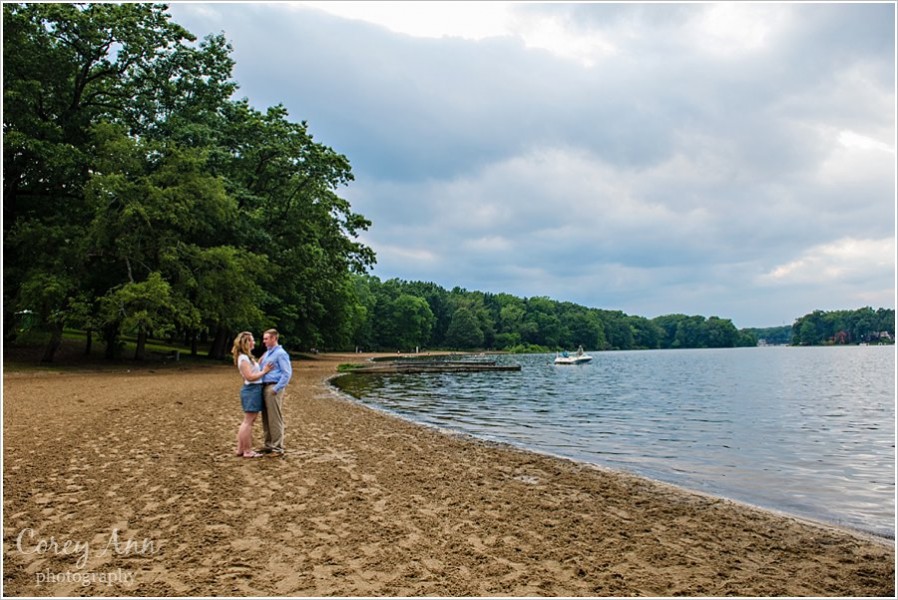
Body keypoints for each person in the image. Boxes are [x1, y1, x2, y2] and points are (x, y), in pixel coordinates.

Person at [231, 332, 273, 458]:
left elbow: (253, 369)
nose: (254, 342)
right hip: (252, 390)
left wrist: (263, 358)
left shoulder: (246, 357)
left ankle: (240, 449)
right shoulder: (243, 358)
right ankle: (247, 451)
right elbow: (250, 377)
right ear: (246, 343)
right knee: (248, 422)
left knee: (248, 421)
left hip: (252, 390)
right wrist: (264, 371)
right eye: (252, 340)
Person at [258, 328, 293, 456]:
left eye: (266, 339)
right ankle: (268, 444)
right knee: (266, 417)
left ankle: (277, 447)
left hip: (273, 387)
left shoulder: (281, 354)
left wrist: (276, 388)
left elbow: (287, 373)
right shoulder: (267, 353)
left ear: (274, 338)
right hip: (264, 386)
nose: (264, 341)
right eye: (264, 339)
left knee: (275, 417)